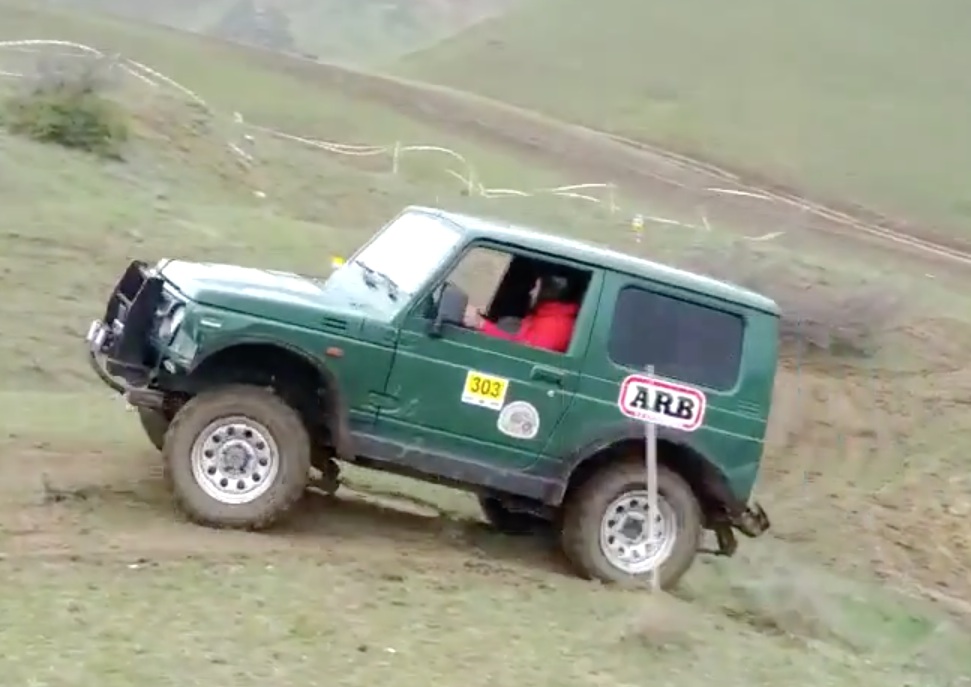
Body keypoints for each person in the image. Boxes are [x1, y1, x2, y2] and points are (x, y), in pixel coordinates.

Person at [462, 274, 579, 353]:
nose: (531, 292)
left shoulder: (555, 326)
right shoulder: (547, 315)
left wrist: (481, 324)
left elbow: (522, 353)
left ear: (546, 293)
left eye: (536, 288)